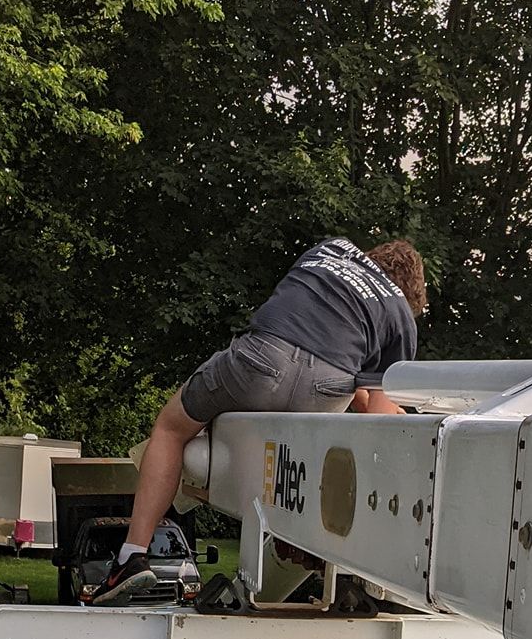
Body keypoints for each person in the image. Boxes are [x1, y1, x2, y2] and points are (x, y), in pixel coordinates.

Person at [92, 236, 428, 603]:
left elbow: (297, 327)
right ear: (407, 296)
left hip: (262, 359)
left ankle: (133, 556)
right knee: (316, 460)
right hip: (329, 385)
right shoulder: (398, 317)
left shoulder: (333, 249)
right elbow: (375, 422)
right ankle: (332, 557)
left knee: (171, 429)